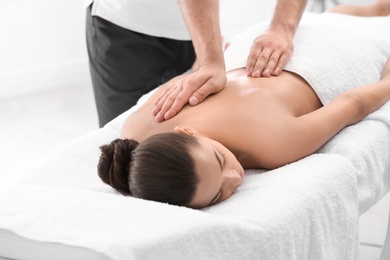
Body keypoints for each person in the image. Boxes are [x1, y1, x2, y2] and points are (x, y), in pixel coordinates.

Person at [97, 0, 390, 209]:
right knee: (342, 16)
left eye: (220, 160)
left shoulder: (275, 143)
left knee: (362, 27)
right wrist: (207, 61)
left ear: (188, 132)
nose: (234, 177)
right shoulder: (136, 129)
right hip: (252, 43)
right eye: (216, 196)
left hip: (328, 54)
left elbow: (352, 104)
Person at [85, 0, 308, 127]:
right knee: (126, 134)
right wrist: (210, 59)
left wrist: (283, 28)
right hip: (128, 22)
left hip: (198, 23)